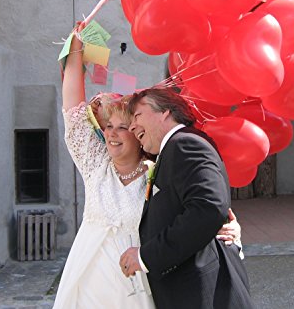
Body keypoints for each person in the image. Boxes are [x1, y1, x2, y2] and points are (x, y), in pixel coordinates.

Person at [54, 27, 243, 308]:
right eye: (108, 127)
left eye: (123, 127)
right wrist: (76, 51)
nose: (113, 134)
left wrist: (231, 227)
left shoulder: (158, 172)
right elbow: (73, 112)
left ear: (136, 133)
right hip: (91, 272)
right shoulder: (95, 166)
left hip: (141, 277)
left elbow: (200, 207)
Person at [120, 87, 254, 309]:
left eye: (137, 116)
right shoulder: (172, 149)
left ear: (165, 112)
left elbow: (208, 208)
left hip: (204, 292)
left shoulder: (184, 144)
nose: (132, 126)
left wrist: (146, 257)